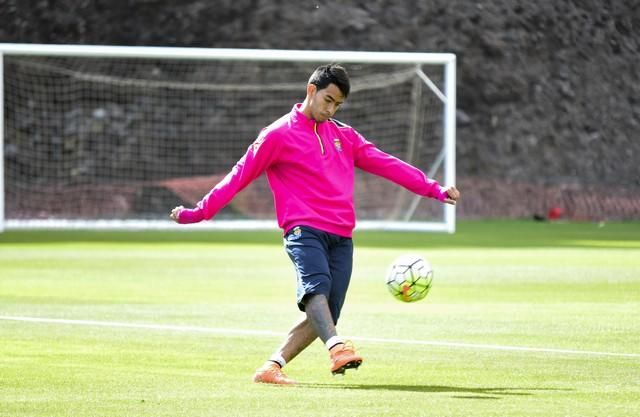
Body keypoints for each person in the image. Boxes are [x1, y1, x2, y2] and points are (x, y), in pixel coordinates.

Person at [170, 64, 460, 385]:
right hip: (302, 229)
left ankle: (271, 367)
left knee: (327, 313)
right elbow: (238, 176)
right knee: (316, 289)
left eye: (337, 104)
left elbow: (386, 163)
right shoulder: (277, 135)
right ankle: (336, 348)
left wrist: (433, 188)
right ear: (312, 90)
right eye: (328, 100)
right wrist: (197, 212)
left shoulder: (344, 135)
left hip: (341, 236)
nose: (331, 109)